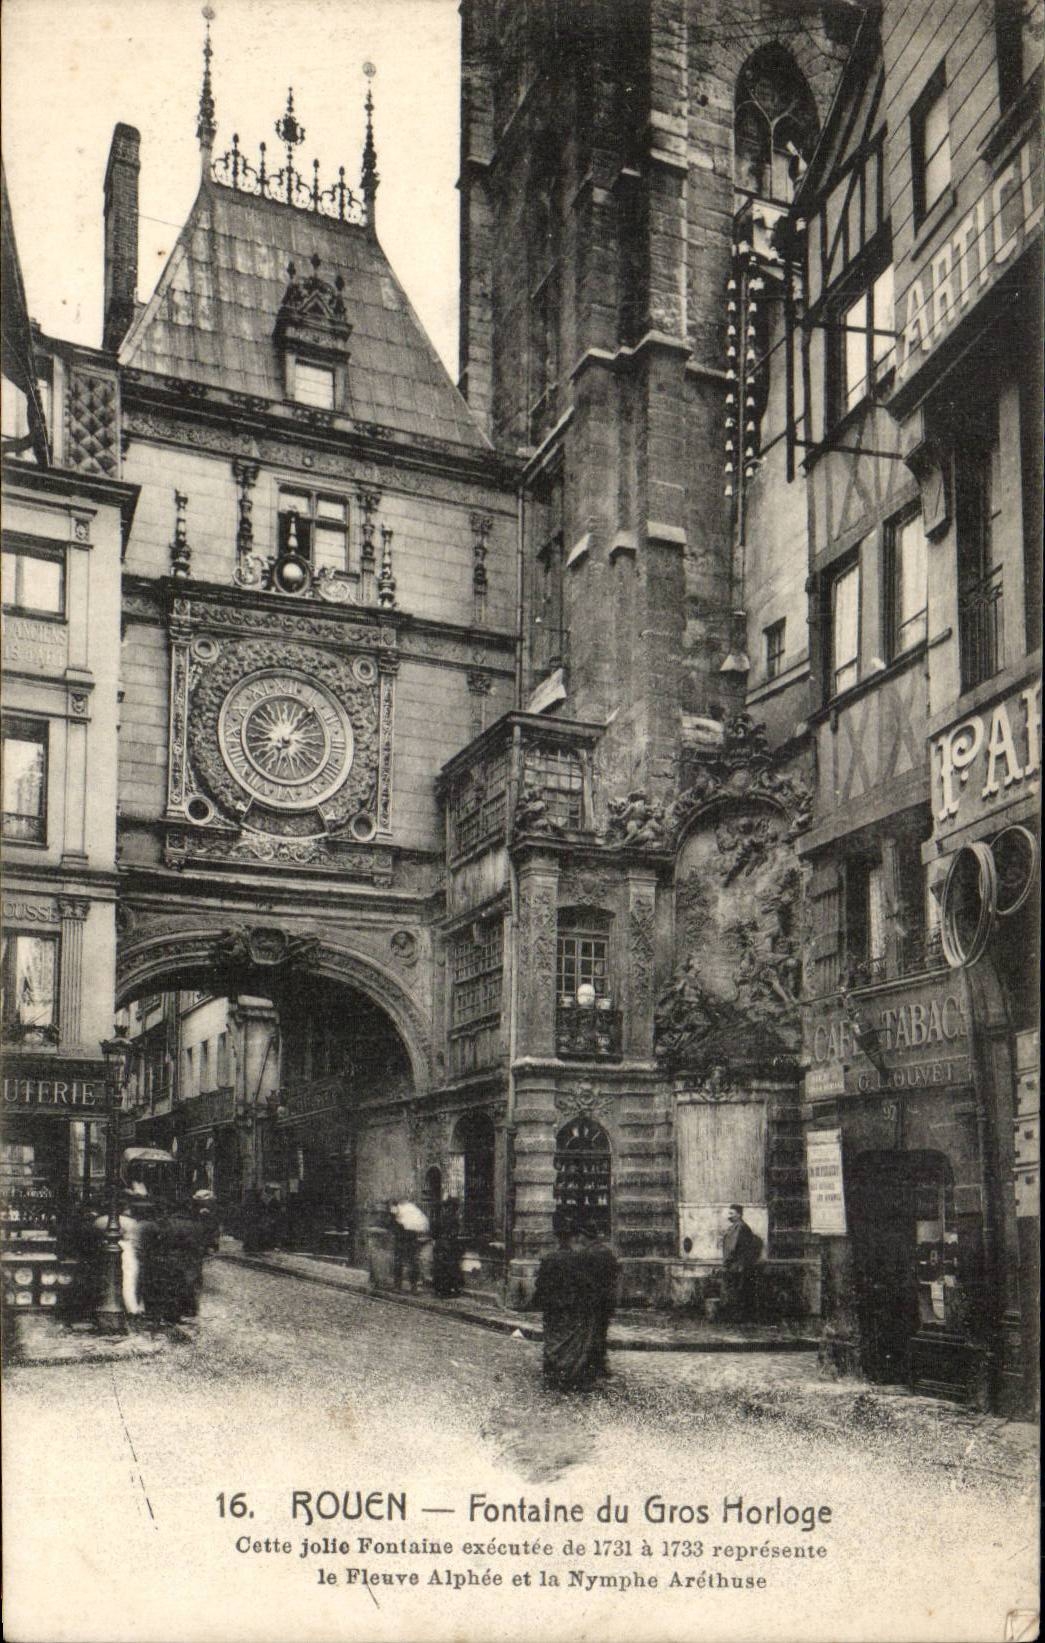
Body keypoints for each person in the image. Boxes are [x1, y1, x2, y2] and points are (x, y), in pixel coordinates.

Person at [534, 1220, 612, 1391]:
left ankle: (553, 1371)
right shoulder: (579, 1258)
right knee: (571, 1341)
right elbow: (585, 1284)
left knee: (553, 1338)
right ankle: (570, 1373)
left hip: (554, 1308)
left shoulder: (549, 1258)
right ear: (572, 1238)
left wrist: (542, 1300)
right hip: (572, 1307)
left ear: (557, 1239)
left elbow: (540, 1284)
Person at [721, 1203, 762, 1320]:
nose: (729, 1216)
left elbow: (732, 1248)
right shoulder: (738, 1226)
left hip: (736, 1266)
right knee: (739, 1290)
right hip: (738, 1265)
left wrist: (726, 1263)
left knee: (737, 1291)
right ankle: (738, 1316)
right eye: (729, 1213)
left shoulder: (740, 1228)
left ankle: (737, 1317)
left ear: (739, 1215)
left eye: (732, 1213)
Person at [390, 1197, 429, 1291]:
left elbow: (393, 1226)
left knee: (399, 1263)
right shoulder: (413, 1212)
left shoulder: (398, 1211)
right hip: (412, 1241)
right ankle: (413, 1286)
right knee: (412, 1263)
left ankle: (398, 1286)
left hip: (401, 1241)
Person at [431, 1197, 464, 1298]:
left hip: (439, 1244)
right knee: (448, 1268)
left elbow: (434, 1232)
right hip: (448, 1246)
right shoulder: (454, 1219)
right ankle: (446, 1291)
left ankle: (438, 1290)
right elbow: (455, 1233)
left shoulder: (440, 1217)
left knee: (439, 1267)